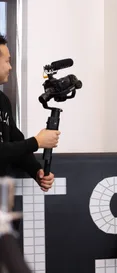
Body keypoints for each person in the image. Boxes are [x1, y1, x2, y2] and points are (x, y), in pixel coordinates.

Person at [0, 34, 60, 192]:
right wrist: (36, 142)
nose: (10, 67)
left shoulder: (3, 101)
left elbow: (16, 141)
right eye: (7, 61)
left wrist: (36, 172)